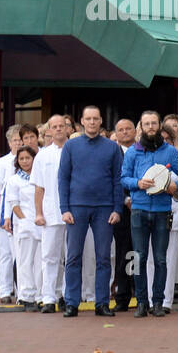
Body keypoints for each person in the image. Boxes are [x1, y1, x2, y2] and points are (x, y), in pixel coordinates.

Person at [57, 105, 124, 318]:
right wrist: (64, 208)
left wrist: (117, 208)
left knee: (103, 258)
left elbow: (117, 180)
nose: (92, 122)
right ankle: (71, 303)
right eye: (89, 119)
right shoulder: (71, 146)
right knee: (73, 257)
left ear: (101, 120)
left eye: (96, 118)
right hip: (76, 207)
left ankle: (102, 303)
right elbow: (63, 178)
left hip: (105, 209)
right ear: (82, 121)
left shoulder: (112, 148)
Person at [121, 110, 178, 318]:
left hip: (161, 211)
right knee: (139, 258)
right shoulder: (133, 152)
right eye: (146, 124)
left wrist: (176, 185)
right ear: (141, 127)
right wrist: (137, 183)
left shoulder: (169, 151)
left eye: (154, 123)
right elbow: (123, 178)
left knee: (160, 259)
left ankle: (157, 302)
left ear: (159, 126)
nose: (150, 127)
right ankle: (141, 302)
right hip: (139, 210)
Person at [150, 114, 178, 313]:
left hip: (173, 215)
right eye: (162, 138)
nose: (165, 142)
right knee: (151, 258)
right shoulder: (149, 155)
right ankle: (151, 299)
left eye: (169, 139)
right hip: (151, 213)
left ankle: (166, 301)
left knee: (169, 258)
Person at [32, 115, 68, 312]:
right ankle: (48, 298)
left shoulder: (75, 151)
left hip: (73, 212)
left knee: (70, 257)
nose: (58, 129)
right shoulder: (42, 155)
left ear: (67, 128)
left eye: (61, 126)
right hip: (50, 213)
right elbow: (39, 188)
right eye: (54, 127)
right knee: (49, 257)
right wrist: (38, 213)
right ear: (49, 131)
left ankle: (66, 295)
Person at [0, 124, 23, 304]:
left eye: (20, 139)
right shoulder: (1, 162)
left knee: (20, 254)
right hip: (4, 210)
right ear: (9, 142)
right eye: (14, 140)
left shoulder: (30, 159)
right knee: (4, 254)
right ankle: (5, 290)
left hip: (21, 211)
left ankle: (21, 291)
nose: (17, 143)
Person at [5, 144, 41, 311]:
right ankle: (26, 296)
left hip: (41, 223)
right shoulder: (14, 180)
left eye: (28, 158)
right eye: (22, 159)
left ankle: (41, 294)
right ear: (17, 161)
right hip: (25, 224)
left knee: (42, 261)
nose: (25, 161)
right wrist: (25, 220)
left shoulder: (40, 177)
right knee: (25, 261)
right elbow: (14, 204)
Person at [109, 118, 136, 311]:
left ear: (135, 131)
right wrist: (125, 200)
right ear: (116, 134)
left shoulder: (144, 150)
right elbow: (112, 180)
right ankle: (123, 296)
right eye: (121, 130)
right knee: (123, 254)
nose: (125, 132)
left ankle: (142, 294)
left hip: (143, 208)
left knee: (140, 254)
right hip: (122, 211)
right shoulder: (112, 153)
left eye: (128, 129)